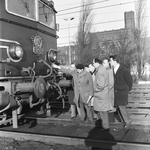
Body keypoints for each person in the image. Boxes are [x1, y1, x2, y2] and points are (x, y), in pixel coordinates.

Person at [109, 55, 133, 128]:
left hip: (122, 92)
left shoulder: (124, 70)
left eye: (111, 61)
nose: (110, 62)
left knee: (121, 106)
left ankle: (127, 121)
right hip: (116, 92)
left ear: (115, 61)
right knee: (119, 106)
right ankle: (124, 120)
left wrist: (126, 90)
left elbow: (130, 81)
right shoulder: (112, 70)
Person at [92, 58, 111, 130]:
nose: (93, 65)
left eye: (93, 63)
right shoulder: (103, 70)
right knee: (103, 111)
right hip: (103, 94)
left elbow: (100, 85)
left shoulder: (100, 72)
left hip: (101, 94)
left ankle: (105, 127)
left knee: (103, 112)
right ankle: (105, 126)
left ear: (97, 63)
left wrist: (95, 90)